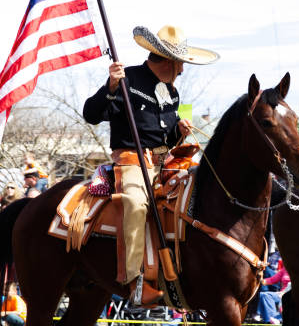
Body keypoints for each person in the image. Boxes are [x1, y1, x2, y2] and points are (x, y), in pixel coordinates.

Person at [83, 25, 218, 305]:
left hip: (166, 163)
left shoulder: (173, 94)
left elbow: (164, 140)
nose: (183, 70)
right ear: (169, 61)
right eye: (181, 64)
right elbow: (91, 114)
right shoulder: (126, 79)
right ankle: (135, 280)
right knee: (134, 202)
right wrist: (110, 87)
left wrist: (178, 132)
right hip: (132, 161)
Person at [257, 258, 291, 325]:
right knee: (264, 295)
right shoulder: (285, 269)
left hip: (293, 295)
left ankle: (275, 320)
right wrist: (260, 280)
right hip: (281, 294)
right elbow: (272, 280)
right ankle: (271, 321)